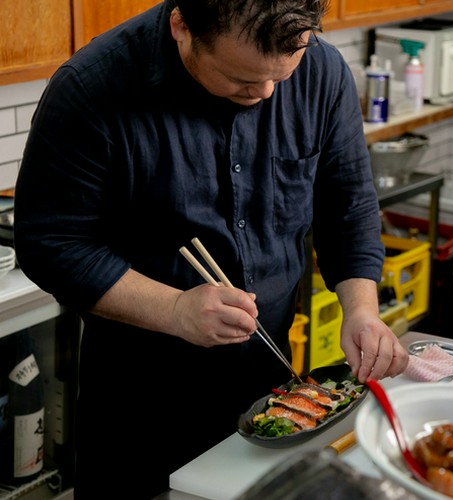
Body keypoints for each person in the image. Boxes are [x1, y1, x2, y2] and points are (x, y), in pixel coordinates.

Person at [13, 0, 409, 497]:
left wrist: (362, 312)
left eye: (280, 77)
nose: (265, 93)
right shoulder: (93, 87)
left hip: (272, 386)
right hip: (140, 398)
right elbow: (49, 243)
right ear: (182, 26)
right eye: (241, 78)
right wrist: (175, 309)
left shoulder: (322, 72)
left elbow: (347, 207)